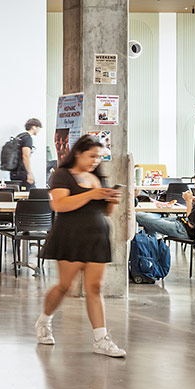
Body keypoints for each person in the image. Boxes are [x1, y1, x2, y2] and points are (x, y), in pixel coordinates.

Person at [35, 135, 126, 357]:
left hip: (97, 236)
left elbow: (105, 212)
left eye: (99, 157)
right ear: (78, 153)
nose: (96, 161)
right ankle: (44, 321)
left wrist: (112, 202)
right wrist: (92, 194)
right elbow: (59, 204)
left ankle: (101, 339)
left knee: (94, 288)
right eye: (92, 156)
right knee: (65, 286)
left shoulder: (98, 177)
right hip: (71, 236)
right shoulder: (62, 175)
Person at [9, 116, 45, 187]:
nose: (39, 130)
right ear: (33, 127)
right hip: (22, 171)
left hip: (14, 171)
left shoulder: (19, 136)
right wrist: (29, 173)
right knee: (32, 191)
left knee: (18, 191)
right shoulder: (27, 138)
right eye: (38, 128)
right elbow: (25, 156)